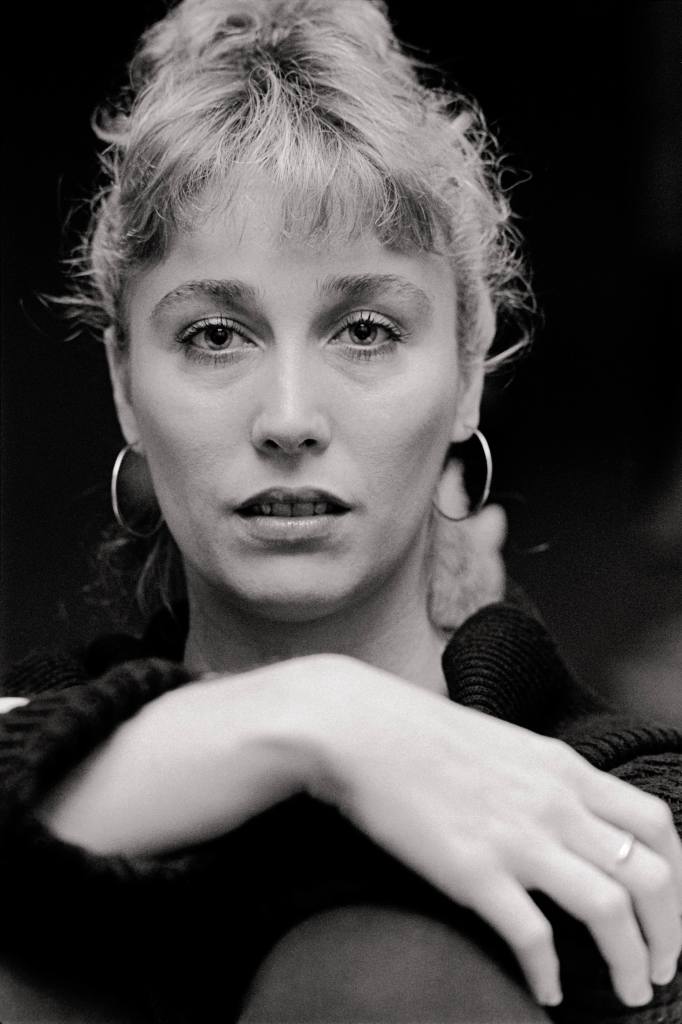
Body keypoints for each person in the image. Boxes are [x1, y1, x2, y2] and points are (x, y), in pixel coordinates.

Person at [1, 1, 682, 1021]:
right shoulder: (42, 729)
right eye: (215, 335)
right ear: (123, 384)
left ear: (466, 371)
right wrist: (321, 721)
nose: (288, 418)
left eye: (365, 330)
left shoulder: (629, 797)